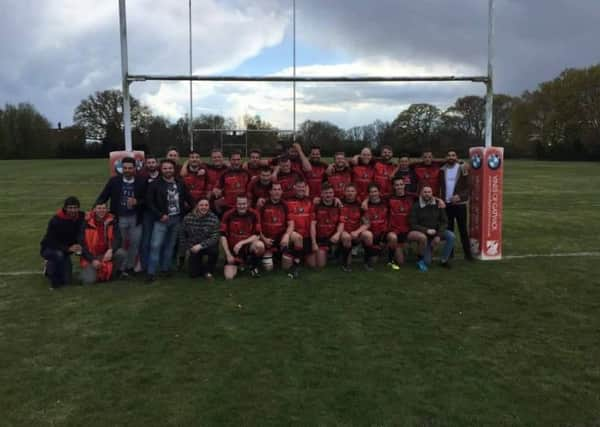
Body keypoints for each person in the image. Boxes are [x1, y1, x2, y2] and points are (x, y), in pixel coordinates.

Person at [95, 156, 146, 276]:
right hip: (119, 217)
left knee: (135, 243)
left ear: (135, 169)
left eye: (130, 168)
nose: (127, 170)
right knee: (120, 244)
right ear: (121, 168)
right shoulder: (114, 181)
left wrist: (137, 202)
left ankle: (130, 267)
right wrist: (95, 209)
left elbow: (148, 199)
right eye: (125, 168)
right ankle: (120, 268)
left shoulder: (141, 181)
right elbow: (103, 196)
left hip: (135, 217)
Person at [145, 159, 193, 282]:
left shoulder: (180, 183)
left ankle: (165, 269)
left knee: (170, 245)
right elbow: (149, 203)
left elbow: (188, 198)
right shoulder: (154, 184)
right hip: (161, 220)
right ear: (161, 169)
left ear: (174, 169)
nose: (168, 170)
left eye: (170, 168)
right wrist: (160, 215)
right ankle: (151, 272)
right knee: (155, 245)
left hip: (176, 219)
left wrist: (193, 209)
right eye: (165, 168)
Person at [40, 196, 85, 289]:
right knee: (58, 255)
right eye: (70, 208)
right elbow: (50, 241)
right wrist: (67, 248)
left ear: (78, 208)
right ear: (65, 208)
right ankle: (50, 268)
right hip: (50, 248)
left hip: (66, 249)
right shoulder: (56, 220)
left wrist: (79, 244)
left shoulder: (82, 216)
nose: (73, 210)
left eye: (75, 208)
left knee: (67, 281)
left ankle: (52, 267)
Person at [408, 185, 455, 272]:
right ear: (421, 193)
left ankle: (444, 260)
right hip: (424, 235)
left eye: (429, 192)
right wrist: (426, 230)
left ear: (432, 193)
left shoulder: (438, 204)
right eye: (425, 192)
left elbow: (444, 221)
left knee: (451, 236)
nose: (427, 194)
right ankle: (423, 253)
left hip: (436, 233)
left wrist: (438, 236)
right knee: (427, 262)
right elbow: (413, 224)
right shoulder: (416, 206)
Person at [79, 202, 127, 284]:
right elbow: (82, 245)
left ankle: (112, 273)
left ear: (107, 210)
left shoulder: (112, 221)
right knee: (89, 281)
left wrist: (111, 250)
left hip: (106, 255)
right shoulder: (85, 223)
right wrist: (92, 260)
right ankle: (94, 273)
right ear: (94, 210)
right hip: (91, 256)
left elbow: (118, 239)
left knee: (121, 253)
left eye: (104, 208)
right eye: (99, 208)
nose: (102, 210)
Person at [220, 195, 264, 279]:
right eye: (239, 204)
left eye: (244, 204)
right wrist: (228, 254)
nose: (242, 206)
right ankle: (239, 263)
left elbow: (257, 235)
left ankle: (253, 265)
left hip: (247, 246)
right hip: (233, 249)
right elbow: (223, 236)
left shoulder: (254, 214)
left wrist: (241, 242)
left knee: (260, 245)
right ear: (236, 204)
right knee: (229, 277)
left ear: (248, 204)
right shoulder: (228, 214)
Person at [440, 149, 473, 260]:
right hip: (447, 204)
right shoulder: (442, 169)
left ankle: (468, 255)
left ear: (456, 157)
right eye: (449, 155)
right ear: (446, 158)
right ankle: (450, 254)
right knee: (449, 230)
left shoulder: (462, 168)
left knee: (463, 230)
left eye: (453, 155)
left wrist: (460, 196)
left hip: (460, 204)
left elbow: (469, 186)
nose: (451, 157)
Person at [282, 179, 316, 278]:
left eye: (303, 187)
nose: (301, 189)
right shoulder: (287, 201)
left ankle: (300, 257)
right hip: (295, 236)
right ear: (294, 188)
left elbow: (313, 223)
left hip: (307, 237)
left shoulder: (311, 200)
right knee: (286, 267)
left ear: (305, 188)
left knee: (313, 265)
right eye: (299, 186)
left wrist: (314, 242)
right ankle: (295, 265)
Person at [179, 198, 220, 280]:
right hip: (193, 247)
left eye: (206, 205)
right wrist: (187, 248)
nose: (204, 207)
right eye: (201, 205)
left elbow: (215, 237)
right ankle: (202, 268)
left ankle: (209, 270)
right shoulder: (188, 218)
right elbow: (182, 235)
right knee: (193, 274)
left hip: (208, 246)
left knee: (214, 251)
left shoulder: (214, 219)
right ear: (197, 206)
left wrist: (201, 245)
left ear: (209, 207)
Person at [259, 182, 291, 272]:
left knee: (287, 267)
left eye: (279, 190)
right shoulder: (263, 204)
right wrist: (264, 239)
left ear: (282, 192)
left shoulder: (285, 204)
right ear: (270, 192)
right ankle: (264, 256)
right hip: (267, 239)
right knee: (268, 269)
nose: (277, 192)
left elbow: (291, 223)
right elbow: (257, 226)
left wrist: (287, 235)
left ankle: (285, 255)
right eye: (274, 189)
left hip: (281, 239)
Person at [311, 183, 343, 269]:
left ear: (333, 194)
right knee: (319, 265)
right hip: (320, 239)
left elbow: (341, 222)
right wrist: (314, 243)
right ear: (321, 194)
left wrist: (338, 233)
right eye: (326, 193)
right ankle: (327, 253)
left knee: (345, 237)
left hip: (333, 237)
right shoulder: (316, 206)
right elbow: (312, 225)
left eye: (330, 193)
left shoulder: (338, 205)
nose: (328, 195)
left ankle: (337, 254)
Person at [386, 177, 415, 269]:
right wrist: (366, 201)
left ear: (404, 185)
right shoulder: (388, 198)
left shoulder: (411, 196)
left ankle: (421, 259)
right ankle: (390, 259)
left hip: (407, 231)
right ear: (394, 187)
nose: (399, 187)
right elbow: (374, 196)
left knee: (422, 237)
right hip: (395, 230)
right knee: (401, 262)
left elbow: (426, 195)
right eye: (397, 185)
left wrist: (439, 200)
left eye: (401, 184)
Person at [339, 184, 369, 272]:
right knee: (346, 237)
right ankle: (345, 264)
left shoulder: (360, 205)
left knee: (368, 235)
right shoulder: (339, 203)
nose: (350, 193)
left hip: (355, 234)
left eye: (352, 191)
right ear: (344, 192)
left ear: (356, 193)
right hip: (343, 232)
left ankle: (366, 262)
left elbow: (367, 224)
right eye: (348, 191)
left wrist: (357, 232)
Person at [362, 183, 389, 271]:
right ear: (368, 194)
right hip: (370, 235)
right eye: (371, 192)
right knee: (372, 261)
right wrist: (365, 201)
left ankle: (384, 254)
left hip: (382, 234)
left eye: (375, 191)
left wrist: (382, 239)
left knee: (375, 259)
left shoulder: (385, 203)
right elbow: (364, 222)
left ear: (379, 192)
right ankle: (366, 259)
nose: (373, 194)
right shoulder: (365, 206)